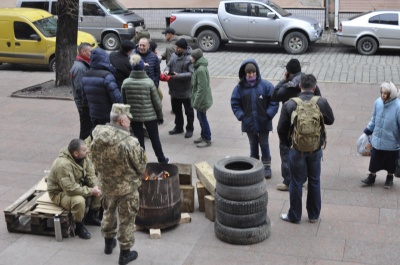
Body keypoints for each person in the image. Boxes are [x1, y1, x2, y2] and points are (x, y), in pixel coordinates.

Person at [91, 104, 147, 265]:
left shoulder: (97, 134)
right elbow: (141, 166)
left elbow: (92, 158)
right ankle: (125, 253)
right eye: (128, 118)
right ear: (122, 121)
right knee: (127, 219)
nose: (130, 121)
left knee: (108, 212)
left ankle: (108, 244)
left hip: (106, 185)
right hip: (126, 189)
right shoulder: (130, 143)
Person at [278, 74, 334, 223]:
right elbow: (331, 120)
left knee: (296, 182)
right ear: (314, 87)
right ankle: (314, 215)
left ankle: (294, 216)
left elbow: (281, 128)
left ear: (299, 86)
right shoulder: (321, 102)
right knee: (314, 181)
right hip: (315, 149)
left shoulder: (290, 104)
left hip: (296, 149)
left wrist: (288, 143)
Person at [272, 58, 322, 191]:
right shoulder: (309, 82)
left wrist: (284, 80)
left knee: (286, 152)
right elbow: (319, 99)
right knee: (306, 149)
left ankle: (288, 181)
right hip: (308, 125)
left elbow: (275, 95)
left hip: (290, 125)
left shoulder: (288, 86)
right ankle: (304, 177)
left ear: (288, 72)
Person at [231, 59, 279, 178]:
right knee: (253, 143)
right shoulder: (239, 88)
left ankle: (266, 166)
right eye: (249, 73)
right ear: (245, 74)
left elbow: (274, 101)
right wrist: (241, 115)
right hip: (248, 122)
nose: (251, 75)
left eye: (253, 73)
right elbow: (235, 103)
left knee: (264, 143)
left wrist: (268, 114)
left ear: (257, 72)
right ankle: (254, 164)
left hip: (263, 122)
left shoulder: (266, 86)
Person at [47, 139, 101, 240]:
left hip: (75, 184)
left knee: (98, 187)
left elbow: (90, 173)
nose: (87, 151)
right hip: (59, 192)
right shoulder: (63, 165)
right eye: (84, 150)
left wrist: (95, 186)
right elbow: (70, 189)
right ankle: (78, 226)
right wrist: (90, 191)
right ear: (76, 153)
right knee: (79, 201)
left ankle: (91, 215)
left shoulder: (83, 157)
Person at [121, 54, 169, 163]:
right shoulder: (149, 82)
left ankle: (141, 161)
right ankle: (161, 159)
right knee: (154, 138)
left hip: (134, 116)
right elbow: (157, 102)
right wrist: (160, 116)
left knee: (139, 140)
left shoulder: (126, 83)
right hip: (150, 116)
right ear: (143, 67)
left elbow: (123, 101)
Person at [361, 81, 400, 189]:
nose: (383, 95)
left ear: (390, 94)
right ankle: (372, 176)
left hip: (391, 141)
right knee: (375, 158)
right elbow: (374, 118)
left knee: (390, 161)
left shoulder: (398, 106)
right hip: (378, 138)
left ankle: (389, 177)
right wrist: (368, 130)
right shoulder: (378, 102)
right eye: (381, 93)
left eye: (385, 93)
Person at [82, 48, 123, 128]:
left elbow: (84, 99)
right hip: (108, 115)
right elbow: (117, 98)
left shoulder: (85, 75)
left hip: (94, 114)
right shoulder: (107, 76)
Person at [163, 38, 195, 138]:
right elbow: (168, 65)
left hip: (185, 90)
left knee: (188, 111)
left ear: (184, 49)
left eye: (179, 48)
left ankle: (189, 129)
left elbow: (192, 73)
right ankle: (178, 127)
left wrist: (179, 75)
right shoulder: (173, 55)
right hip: (174, 88)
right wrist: (166, 71)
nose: (177, 49)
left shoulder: (190, 58)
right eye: (176, 47)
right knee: (177, 110)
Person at [70, 42, 93, 140]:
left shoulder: (83, 65)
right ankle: (81, 149)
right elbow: (80, 88)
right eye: (90, 51)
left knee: (88, 127)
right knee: (86, 129)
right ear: (83, 52)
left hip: (85, 103)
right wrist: (85, 103)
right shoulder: (80, 67)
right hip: (84, 104)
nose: (92, 53)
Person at [190, 48, 213, 148]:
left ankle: (207, 138)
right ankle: (203, 136)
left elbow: (202, 88)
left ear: (196, 58)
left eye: (192, 57)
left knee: (202, 119)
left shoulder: (200, 70)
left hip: (201, 101)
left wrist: (196, 102)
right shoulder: (199, 67)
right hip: (201, 99)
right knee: (200, 118)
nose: (191, 59)